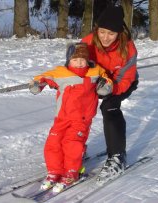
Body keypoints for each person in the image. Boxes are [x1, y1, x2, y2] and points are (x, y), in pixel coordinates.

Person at [29, 43, 113, 192]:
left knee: (72, 144)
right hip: (62, 117)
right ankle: (54, 171)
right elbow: (44, 77)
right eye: (75, 60)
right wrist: (37, 83)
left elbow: (107, 80)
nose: (80, 63)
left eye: (83, 60)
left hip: (82, 119)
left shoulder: (95, 71)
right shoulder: (61, 72)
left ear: (88, 61)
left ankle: (71, 172)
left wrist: (105, 85)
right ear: (69, 60)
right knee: (53, 143)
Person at [81, 5, 138, 182]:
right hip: (95, 80)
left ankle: (117, 157)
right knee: (79, 104)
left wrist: (111, 89)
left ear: (119, 33)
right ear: (97, 29)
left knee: (109, 106)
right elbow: (76, 66)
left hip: (121, 83)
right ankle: (75, 147)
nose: (106, 37)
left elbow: (126, 79)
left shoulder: (128, 49)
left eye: (111, 34)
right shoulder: (87, 42)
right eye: (103, 32)